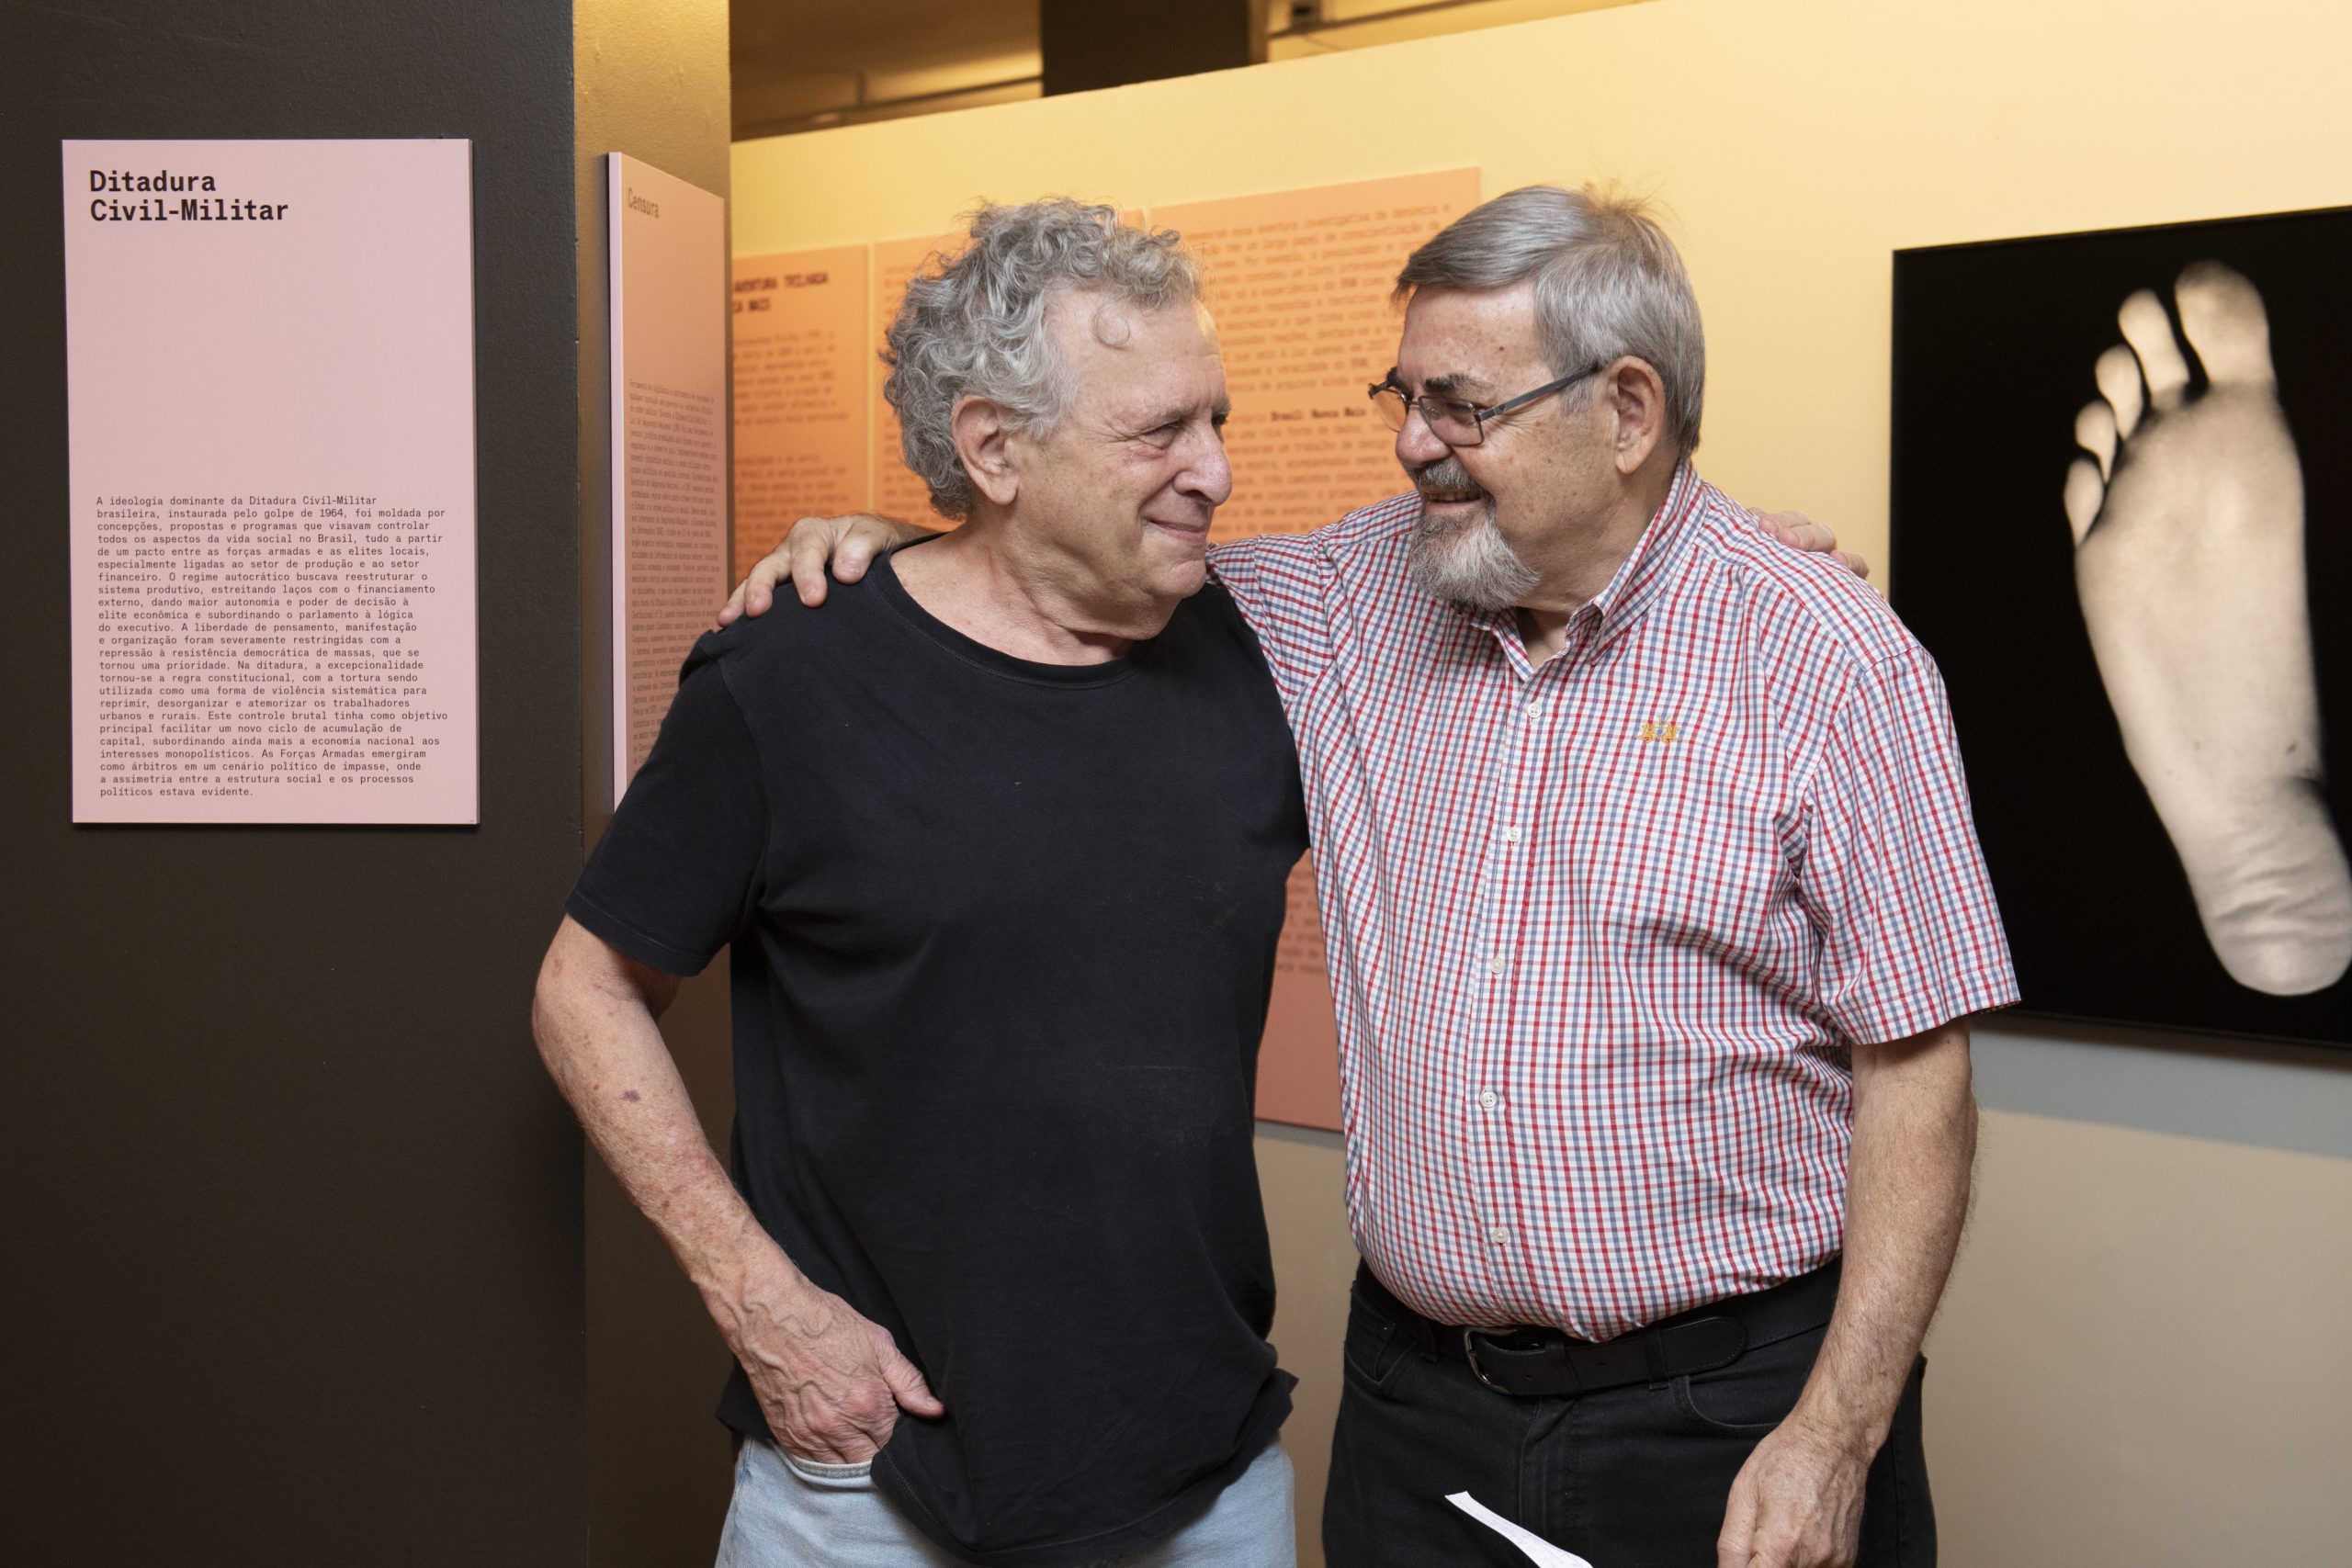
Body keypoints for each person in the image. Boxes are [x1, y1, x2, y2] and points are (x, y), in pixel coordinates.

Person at [734, 185, 2016, 1568]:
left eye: (1461, 406)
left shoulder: (1828, 660)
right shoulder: (1343, 600)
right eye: (1403, 397)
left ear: (1629, 412)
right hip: (1421, 1415)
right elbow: (1069, 557)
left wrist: (1836, 1436)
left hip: (1730, 1414)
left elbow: (1919, 1082)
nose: (1412, 443)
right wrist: (892, 545)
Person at [532, 201, 1310, 1568]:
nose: (1217, 471)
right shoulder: (789, 679)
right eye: (1159, 431)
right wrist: (757, 1301)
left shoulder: (1262, 655)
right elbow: (582, 989)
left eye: (1216, 419)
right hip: (873, 1487)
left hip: (1204, 1474)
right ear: (994, 447)